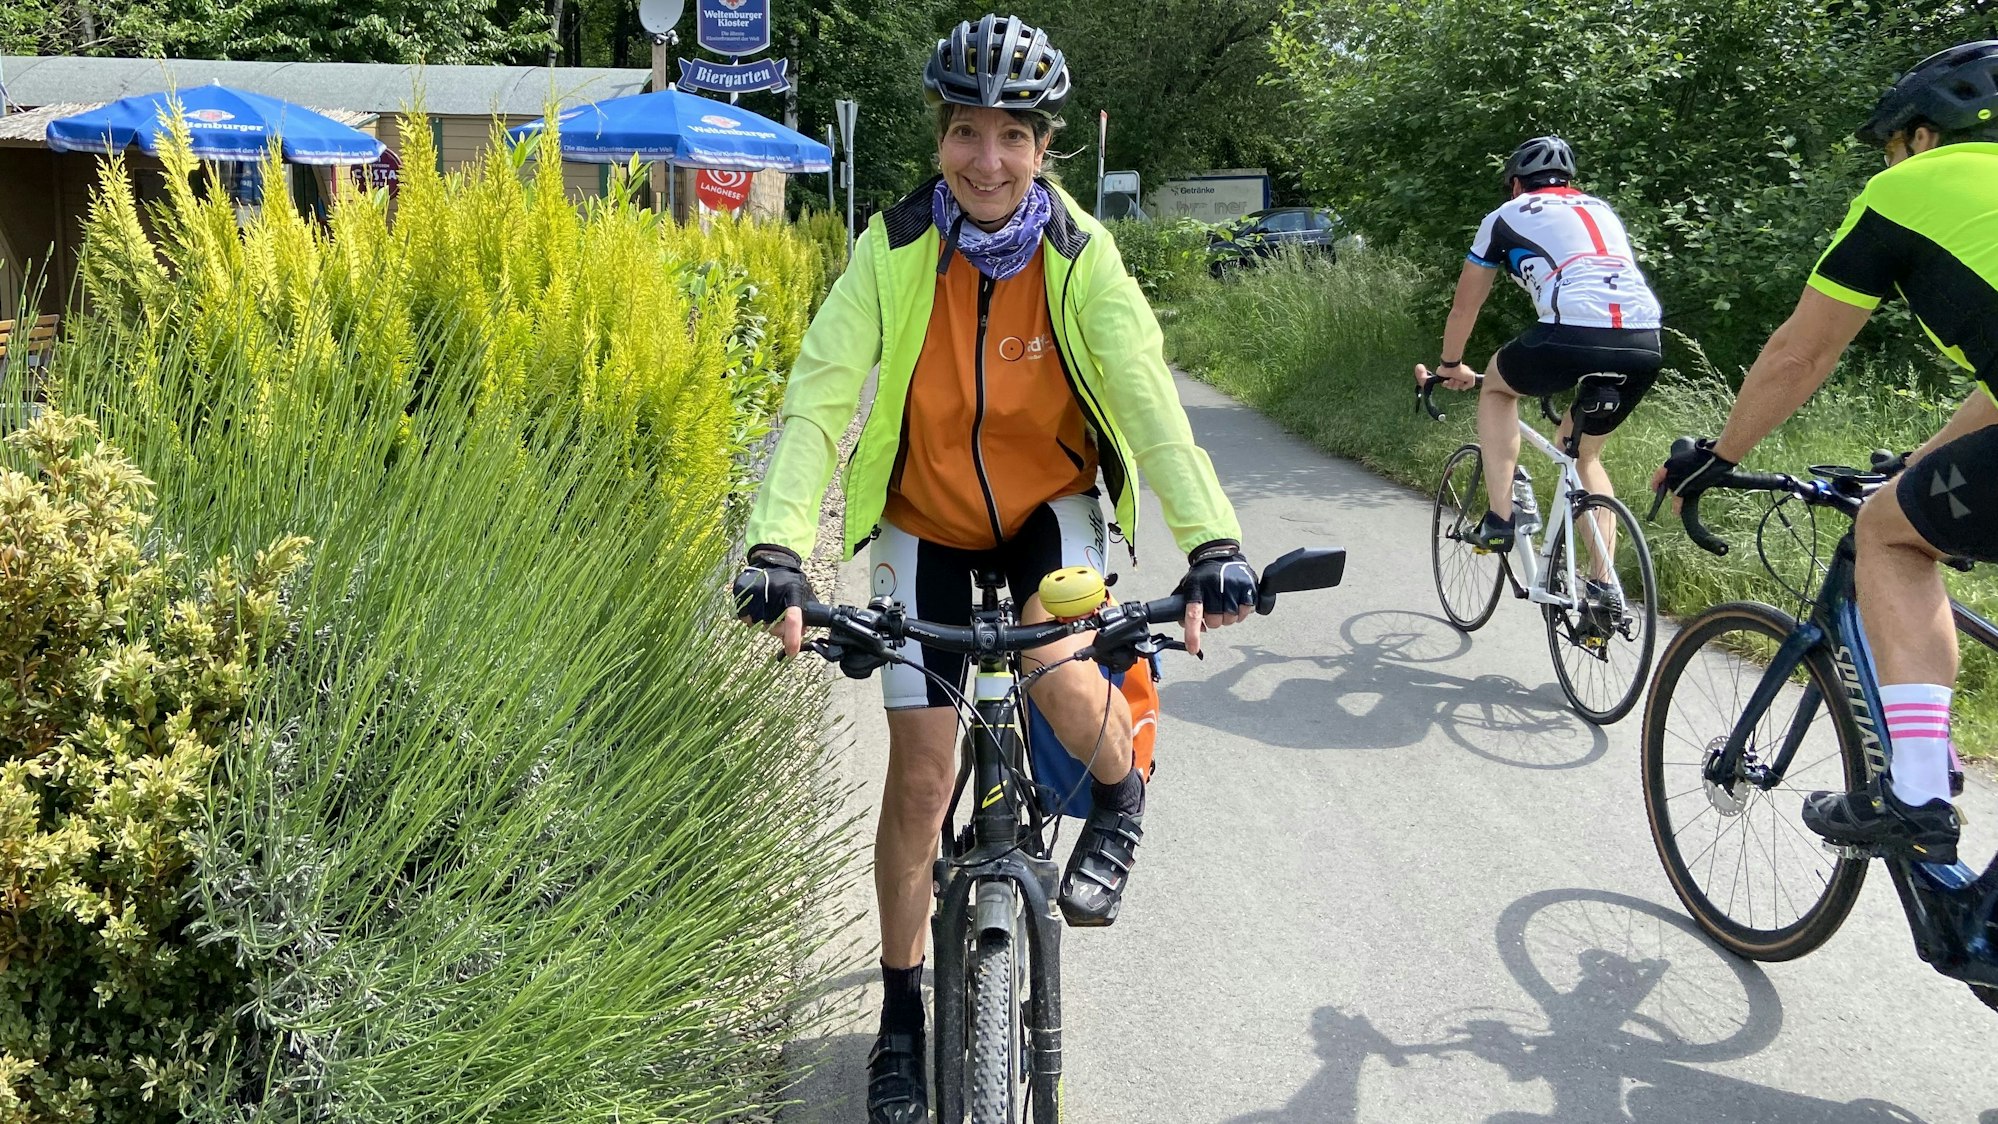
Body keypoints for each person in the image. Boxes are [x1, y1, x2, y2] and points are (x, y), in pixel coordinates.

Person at [729, 15, 1258, 1122]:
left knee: (1063, 674)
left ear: (1043, 146)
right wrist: (776, 545)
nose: (987, 159)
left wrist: (1212, 541)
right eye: (966, 132)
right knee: (922, 779)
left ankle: (1119, 797)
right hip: (923, 516)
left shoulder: (1079, 252)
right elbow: (820, 395)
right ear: (939, 138)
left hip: (1045, 510)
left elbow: (1149, 401)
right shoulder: (892, 246)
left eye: (1012, 135)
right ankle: (900, 1012)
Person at [1656, 41, 1998, 866]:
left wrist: (1721, 455)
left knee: (1888, 533)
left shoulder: (1908, 188)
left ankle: (1915, 794)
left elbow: (1799, 354)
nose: (1888, 161)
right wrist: (1920, 462)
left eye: (1892, 145)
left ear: (1925, 135)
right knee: (1908, 508)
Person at [1414, 136, 1666, 579]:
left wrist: (1450, 365)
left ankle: (1500, 520)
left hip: (1569, 331)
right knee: (1582, 454)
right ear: (1569, 181)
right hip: (1644, 340)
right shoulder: (1602, 210)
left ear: (1515, 185)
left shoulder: (1504, 216)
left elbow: (1464, 308)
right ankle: (1603, 585)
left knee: (1497, 389)